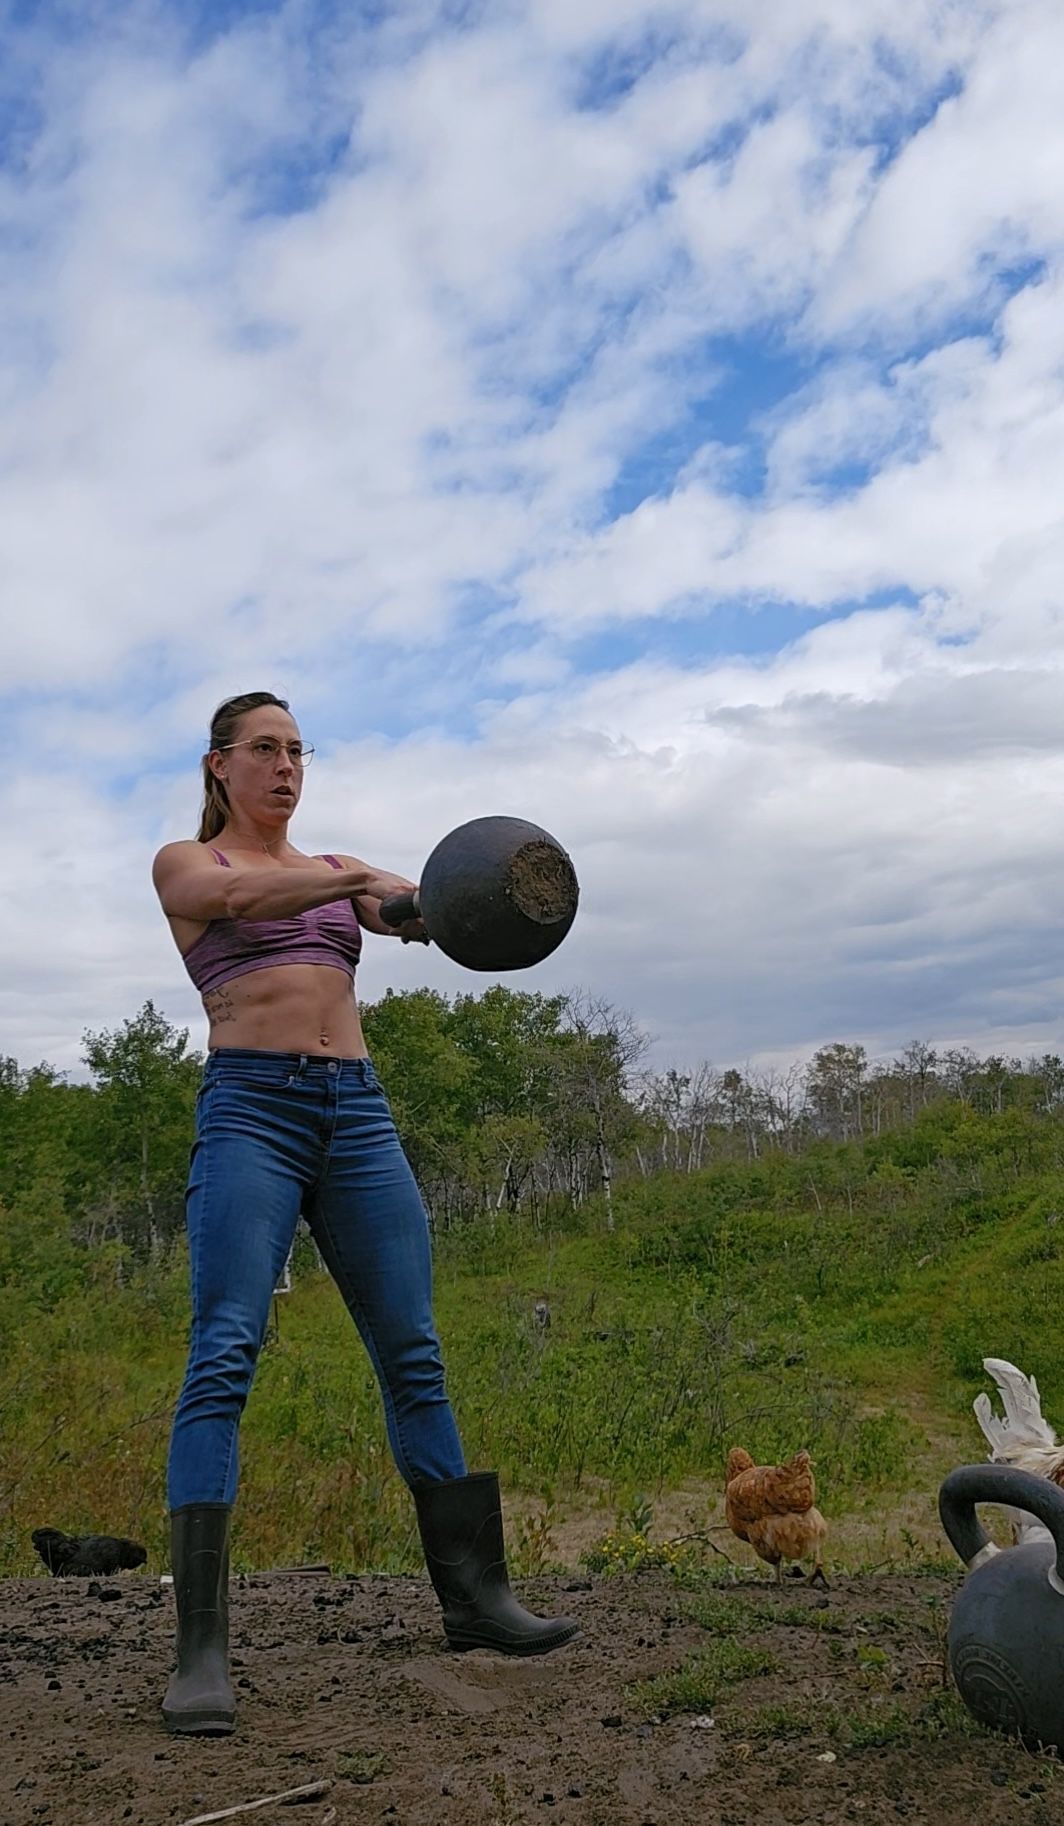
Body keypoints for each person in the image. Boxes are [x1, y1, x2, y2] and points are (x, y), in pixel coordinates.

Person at [152, 690, 578, 1737]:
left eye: (297, 749)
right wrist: (352, 879)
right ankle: (199, 1647)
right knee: (225, 1349)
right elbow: (256, 901)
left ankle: (475, 1602)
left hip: (357, 1115)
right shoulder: (187, 866)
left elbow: (409, 907)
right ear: (219, 766)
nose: (286, 766)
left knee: (413, 1351)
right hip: (251, 1109)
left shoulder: (340, 875)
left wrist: (479, 897)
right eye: (264, 749)